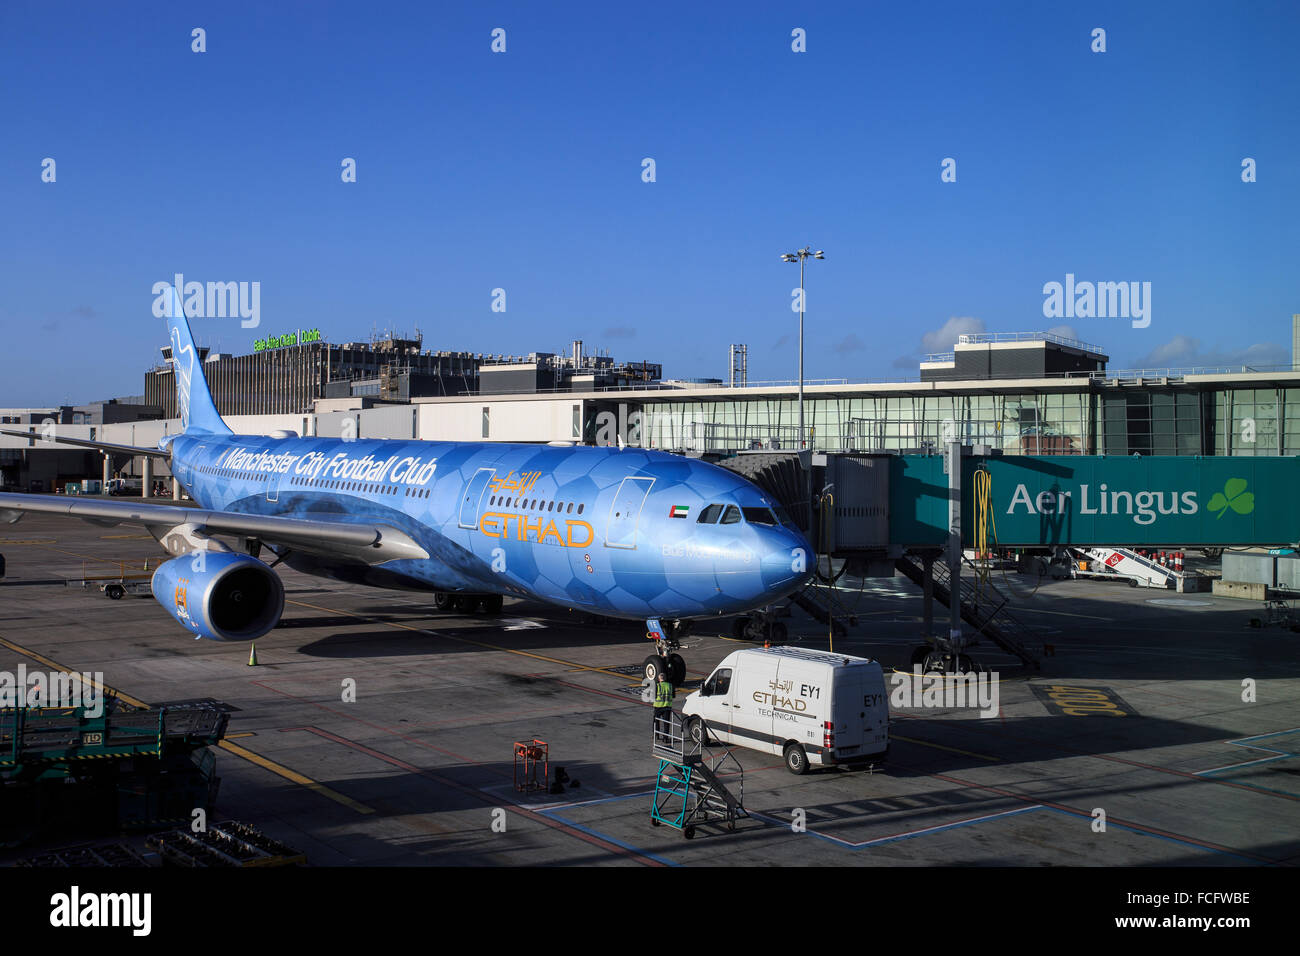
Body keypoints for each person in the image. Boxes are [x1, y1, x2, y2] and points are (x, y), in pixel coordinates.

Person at [652, 666, 675, 742]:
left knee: (656, 722)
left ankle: (656, 735)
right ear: (665, 678)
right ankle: (665, 738)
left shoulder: (657, 686)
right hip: (667, 707)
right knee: (666, 723)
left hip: (658, 707)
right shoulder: (670, 686)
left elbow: (654, 696)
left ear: (659, 679)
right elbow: (673, 695)